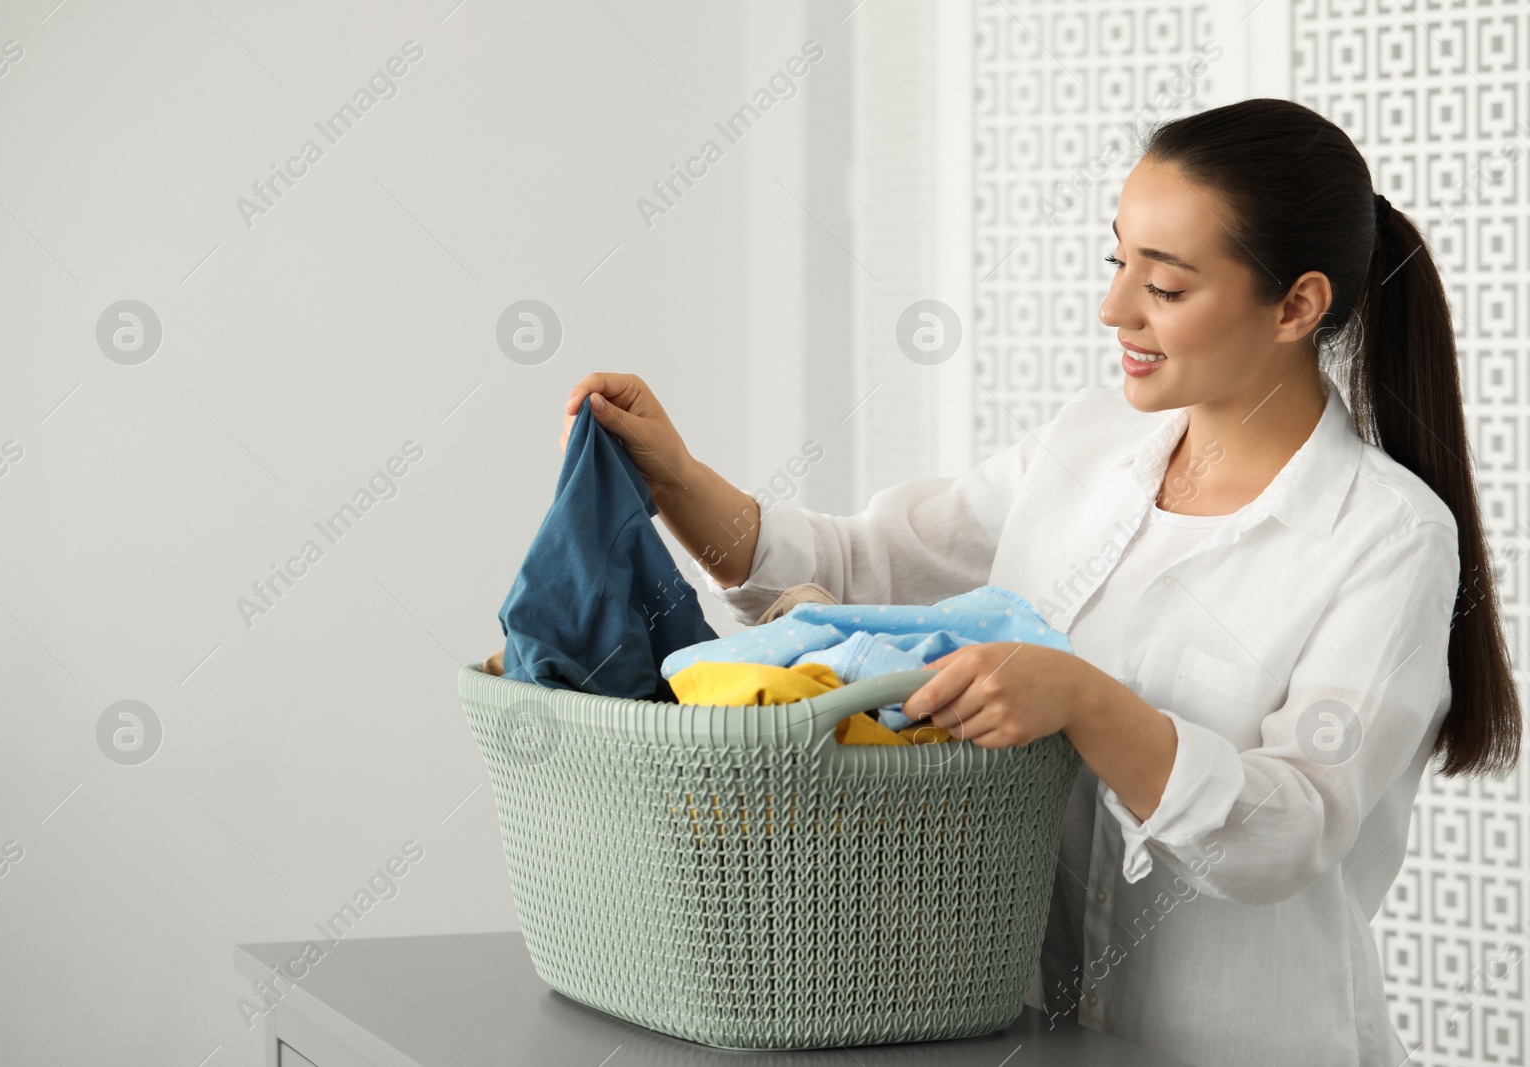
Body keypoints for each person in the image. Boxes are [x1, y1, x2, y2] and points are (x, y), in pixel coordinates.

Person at [559, 97, 1521, 1066]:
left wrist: (1082, 701)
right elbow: (862, 564)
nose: (1115, 310)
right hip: (1025, 1038)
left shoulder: (1386, 535)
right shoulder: (1090, 441)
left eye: (1168, 286)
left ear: (1297, 305)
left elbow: (1290, 830)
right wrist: (675, 479)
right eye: (1118, 262)